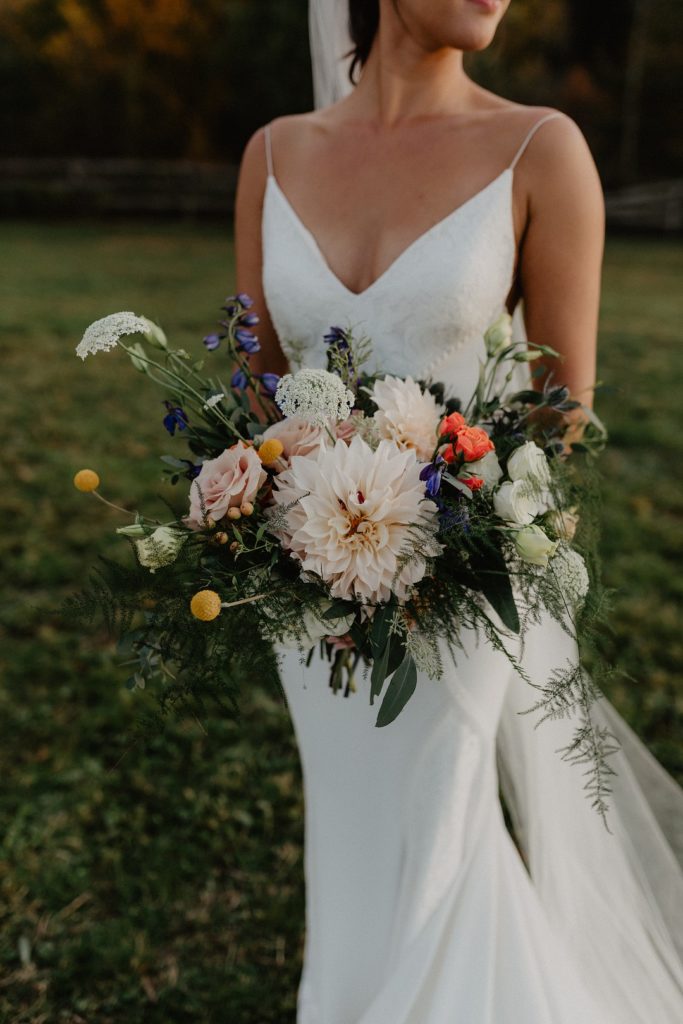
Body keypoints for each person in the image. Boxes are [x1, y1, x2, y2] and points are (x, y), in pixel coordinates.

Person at [233, 2, 683, 1021]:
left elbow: (560, 414)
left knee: (439, 848)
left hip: (462, 589)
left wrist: (431, 524)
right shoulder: (271, 156)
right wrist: (287, 516)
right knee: (348, 859)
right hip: (310, 590)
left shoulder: (539, 149)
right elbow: (255, 397)